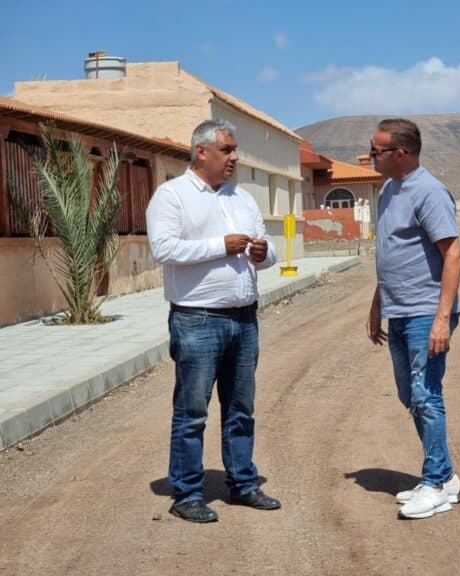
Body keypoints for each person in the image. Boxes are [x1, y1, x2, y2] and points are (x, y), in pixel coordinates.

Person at [146, 119, 280, 523]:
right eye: (227, 149)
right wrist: (219, 245)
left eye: (235, 149)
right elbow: (163, 248)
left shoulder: (242, 198)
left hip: (244, 318)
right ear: (201, 151)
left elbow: (269, 249)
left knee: (241, 407)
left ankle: (242, 483)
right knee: (192, 411)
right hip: (197, 319)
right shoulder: (172, 196)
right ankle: (186, 492)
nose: (234, 157)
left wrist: (262, 253)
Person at [366, 118, 460, 519]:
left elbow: (453, 254)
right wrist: (377, 306)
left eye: (376, 150)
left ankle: (435, 482)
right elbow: (391, 255)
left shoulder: (429, 191)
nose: (370, 156)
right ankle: (446, 478)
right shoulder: (389, 190)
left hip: (426, 312)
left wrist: (442, 319)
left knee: (425, 395)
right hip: (399, 311)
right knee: (411, 395)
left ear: (400, 153)